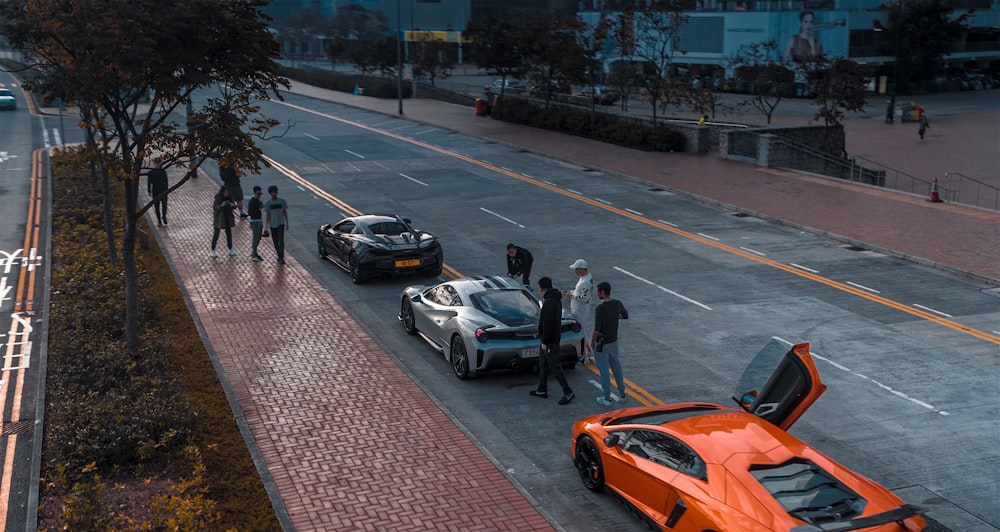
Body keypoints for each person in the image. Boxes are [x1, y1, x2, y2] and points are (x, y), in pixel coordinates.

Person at [530, 277, 575, 405]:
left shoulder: (549, 303)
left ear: (542, 288)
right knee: (543, 364)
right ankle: (542, 389)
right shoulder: (556, 300)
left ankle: (568, 391)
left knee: (554, 366)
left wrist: (544, 341)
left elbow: (547, 324)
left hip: (549, 341)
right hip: (552, 339)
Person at [592, 282, 629, 407]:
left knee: (604, 371)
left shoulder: (600, 309)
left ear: (602, 292)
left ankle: (607, 397)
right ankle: (622, 394)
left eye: (598, 291)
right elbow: (625, 315)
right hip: (614, 340)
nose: (597, 293)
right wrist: (614, 318)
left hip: (602, 343)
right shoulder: (617, 304)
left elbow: (597, 329)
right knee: (616, 367)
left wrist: (592, 342)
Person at [563, 259, 594, 364]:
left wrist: (570, 295)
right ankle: (589, 352)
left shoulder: (585, 282)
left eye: (576, 269)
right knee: (583, 331)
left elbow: (584, 298)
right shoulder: (585, 278)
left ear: (581, 270)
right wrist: (571, 292)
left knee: (581, 332)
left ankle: (584, 356)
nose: (575, 271)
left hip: (580, 310)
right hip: (579, 309)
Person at [264, 185, 289, 264]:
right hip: (272, 224)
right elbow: (268, 215)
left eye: (275, 192)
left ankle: (281, 257)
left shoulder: (282, 201)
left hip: (280, 223)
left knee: (280, 240)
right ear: (270, 194)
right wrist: (266, 227)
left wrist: (287, 222)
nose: (274, 194)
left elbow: (285, 212)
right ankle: (279, 255)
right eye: (272, 193)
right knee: (275, 241)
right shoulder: (268, 203)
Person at [210, 185, 237, 258]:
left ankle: (230, 248)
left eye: (227, 192)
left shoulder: (230, 197)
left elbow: (234, 205)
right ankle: (213, 250)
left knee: (229, 233)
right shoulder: (218, 197)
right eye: (225, 192)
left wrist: (232, 205)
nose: (226, 194)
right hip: (219, 218)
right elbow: (215, 207)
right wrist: (221, 205)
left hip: (227, 217)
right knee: (216, 233)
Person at [147, 157, 169, 226]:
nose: (157, 164)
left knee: (164, 205)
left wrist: (167, 190)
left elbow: (166, 181)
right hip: (155, 191)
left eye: (158, 163)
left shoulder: (163, 171)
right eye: (156, 163)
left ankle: (164, 216)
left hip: (163, 190)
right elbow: (149, 182)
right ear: (154, 164)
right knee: (157, 207)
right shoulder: (151, 173)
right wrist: (149, 191)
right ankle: (159, 220)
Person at [247, 185, 265, 262]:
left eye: (260, 194)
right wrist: (258, 209)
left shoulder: (259, 201)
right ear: (254, 193)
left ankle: (254, 252)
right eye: (258, 194)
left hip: (259, 220)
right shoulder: (252, 202)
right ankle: (254, 253)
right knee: (256, 238)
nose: (259, 195)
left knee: (259, 237)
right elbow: (250, 213)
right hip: (254, 221)